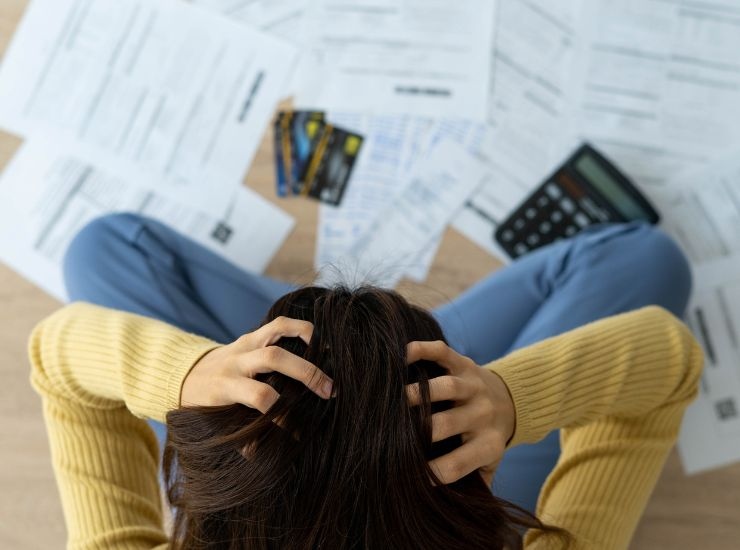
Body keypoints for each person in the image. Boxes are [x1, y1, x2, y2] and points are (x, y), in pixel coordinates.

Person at [28, 213, 703, 549]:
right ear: (480, 494)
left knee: (102, 247)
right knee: (647, 258)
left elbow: (57, 360)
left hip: (370, 453)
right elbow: (670, 361)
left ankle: (352, 356)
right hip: (418, 452)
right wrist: (512, 399)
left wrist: (190, 374)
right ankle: (367, 355)